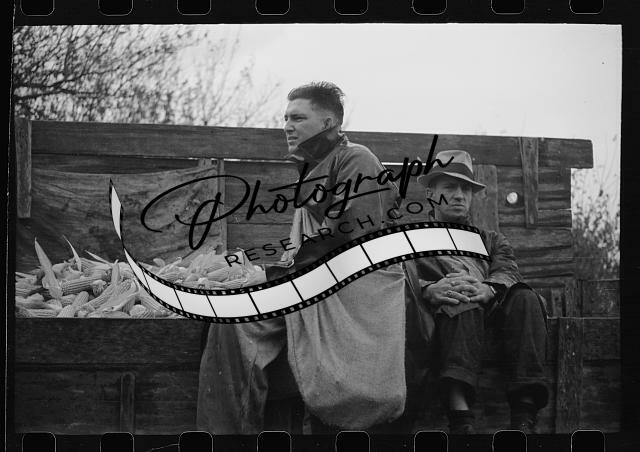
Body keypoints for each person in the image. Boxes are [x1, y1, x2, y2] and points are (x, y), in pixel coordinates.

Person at [197, 82, 408, 434]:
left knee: (238, 319)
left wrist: (271, 276)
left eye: (297, 118)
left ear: (328, 123)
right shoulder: (314, 167)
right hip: (317, 284)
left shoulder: (356, 159)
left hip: (353, 292)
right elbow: (308, 244)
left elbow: (347, 241)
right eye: (285, 118)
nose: (287, 126)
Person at [409, 149, 549, 434]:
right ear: (431, 194)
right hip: (446, 318)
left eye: (466, 189)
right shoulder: (412, 240)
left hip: (494, 318)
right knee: (460, 301)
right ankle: (460, 419)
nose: (459, 195)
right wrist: (428, 289)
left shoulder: (491, 240)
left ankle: (523, 416)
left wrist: (489, 288)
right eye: (450, 187)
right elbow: (399, 278)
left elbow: (508, 271)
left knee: (525, 297)